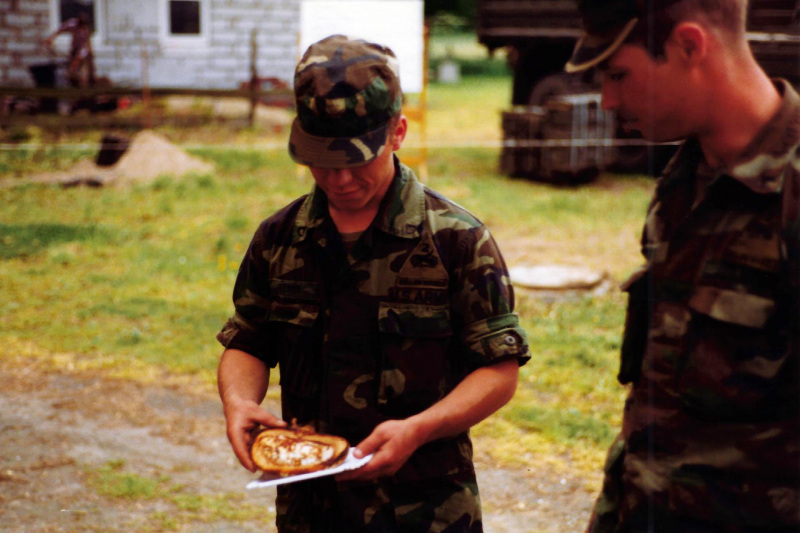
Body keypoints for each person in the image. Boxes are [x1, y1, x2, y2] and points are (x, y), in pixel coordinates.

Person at [216, 34, 530, 532]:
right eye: (323, 159)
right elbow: (249, 340)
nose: (339, 179)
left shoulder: (456, 240)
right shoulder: (279, 237)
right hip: (311, 513)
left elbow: (498, 370)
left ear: (398, 132)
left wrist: (419, 429)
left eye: (358, 158)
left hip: (424, 513)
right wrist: (239, 402)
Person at [564, 0, 800, 531]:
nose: (607, 101)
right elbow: (659, 405)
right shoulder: (685, 179)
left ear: (690, 46)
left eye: (618, 75)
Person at [43, 12, 95, 88]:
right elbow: (61, 29)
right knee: (71, 69)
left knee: (84, 69)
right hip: (75, 49)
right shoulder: (73, 24)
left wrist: (77, 59)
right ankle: (74, 84)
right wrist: (51, 38)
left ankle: (87, 84)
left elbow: (85, 47)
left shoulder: (86, 30)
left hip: (83, 51)